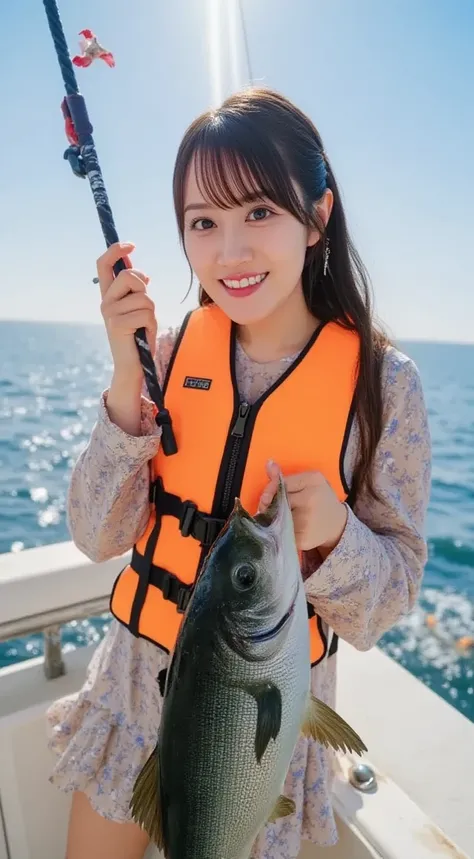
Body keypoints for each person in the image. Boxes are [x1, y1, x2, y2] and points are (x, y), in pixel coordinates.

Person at [46, 87, 432, 859]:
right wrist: (127, 384)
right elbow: (95, 534)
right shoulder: (167, 353)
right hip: (134, 688)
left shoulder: (383, 385)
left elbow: (387, 601)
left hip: (262, 726)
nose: (230, 252)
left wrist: (337, 537)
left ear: (317, 217)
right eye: (203, 222)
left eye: (259, 212)